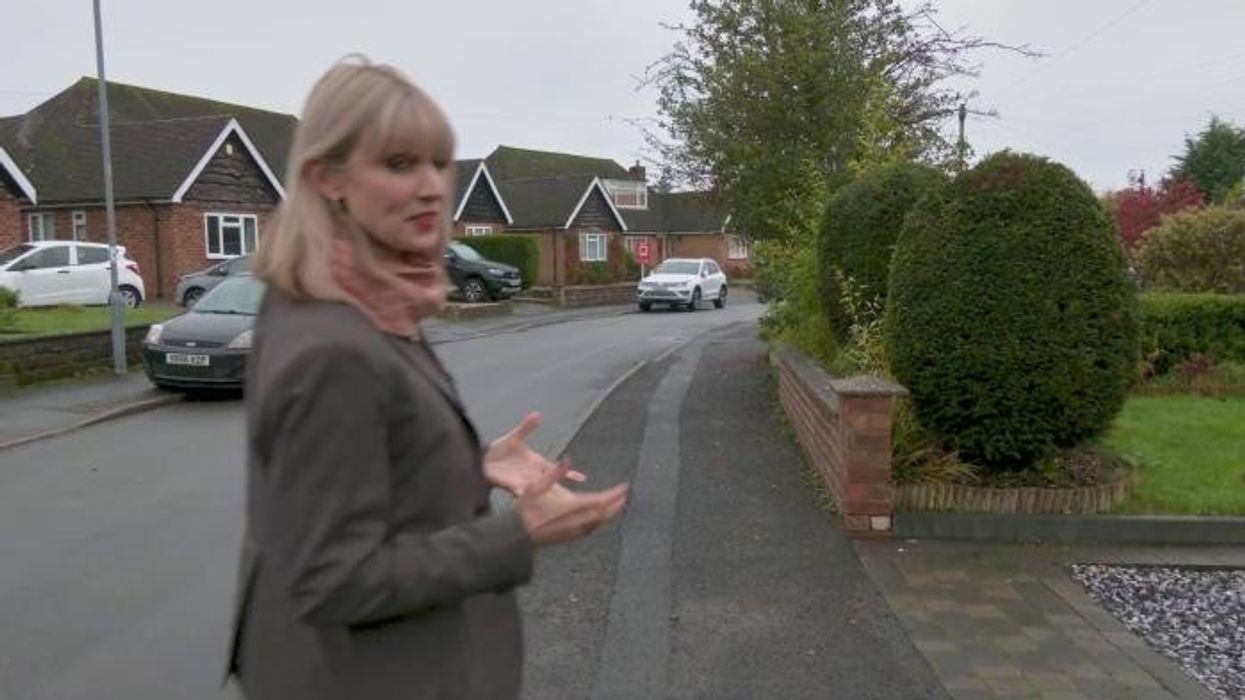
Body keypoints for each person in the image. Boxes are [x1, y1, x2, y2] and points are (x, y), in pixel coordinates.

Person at [225, 56, 629, 700]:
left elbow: (349, 471)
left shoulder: (352, 296)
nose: (433, 187)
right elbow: (334, 578)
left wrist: (470, 461)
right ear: (327, 177)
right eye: (398, 164)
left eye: (439, 163)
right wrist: (515, 534)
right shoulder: (335, 345)